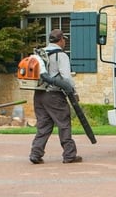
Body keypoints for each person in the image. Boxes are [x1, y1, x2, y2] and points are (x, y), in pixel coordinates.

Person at [29, 28, 82, 164]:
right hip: (54, 94)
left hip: (38, 94)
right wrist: (73, 91)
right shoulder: (61, 55)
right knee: (63, 123)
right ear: (61, 40)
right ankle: (69, 154)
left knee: (43, 125)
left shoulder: (40, 54)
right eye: (64, 40)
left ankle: (36, 153)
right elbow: (66, 77)